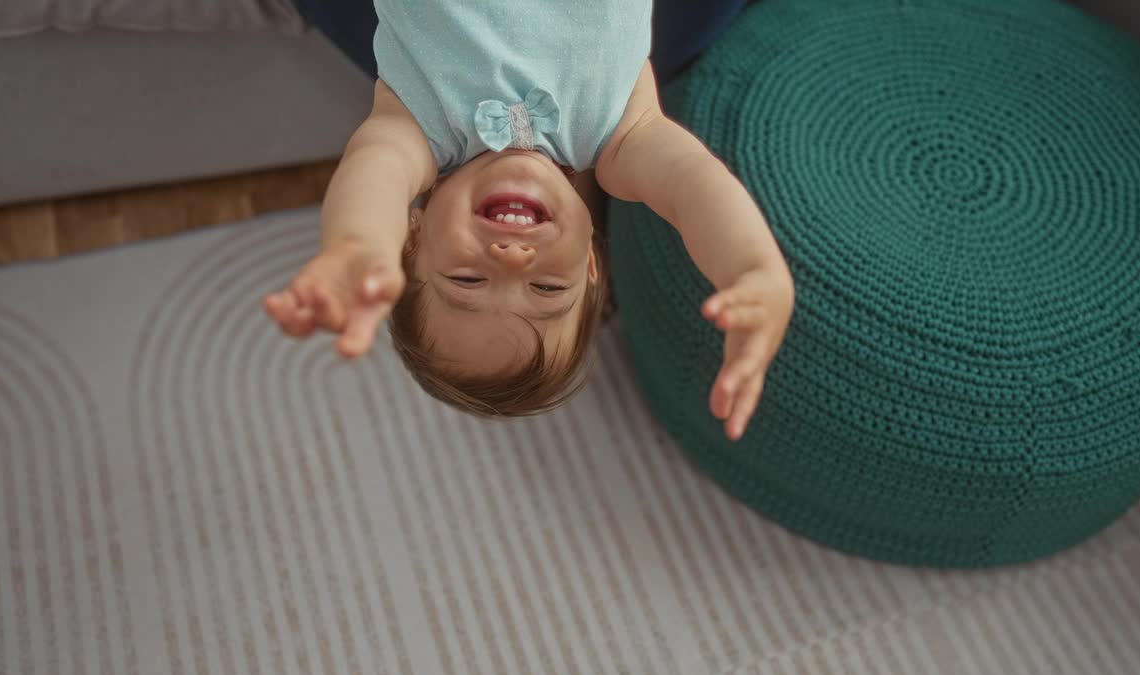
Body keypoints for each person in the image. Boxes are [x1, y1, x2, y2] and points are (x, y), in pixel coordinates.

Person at [263, 0, 794, 440]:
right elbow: (689, 183)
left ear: (413, 236)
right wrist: (752, 267)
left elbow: (375, 170)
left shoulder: (420, 126)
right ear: (590, 262)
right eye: (545, 286)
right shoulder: (618, 136)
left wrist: (359, 245)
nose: (511, 259)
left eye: (467, 280)